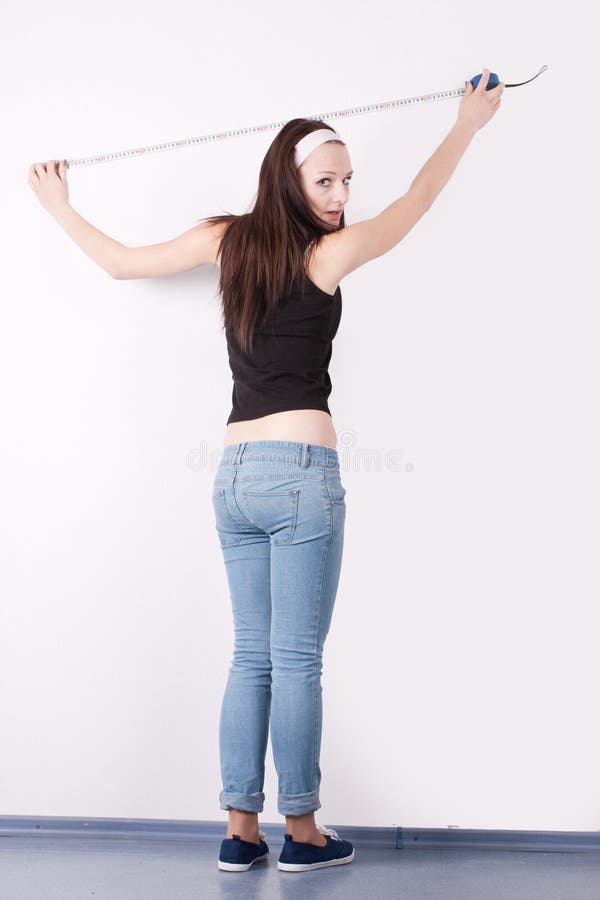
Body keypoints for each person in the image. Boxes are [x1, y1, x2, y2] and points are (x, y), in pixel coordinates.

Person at [28, 70, 504, 873]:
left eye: (348, 180)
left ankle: (238, 831)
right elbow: (418, 203)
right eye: (326, 180)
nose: (342, 193)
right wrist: (467, 123)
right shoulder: (328, 254)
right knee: (294, 660)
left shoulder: (228, 239)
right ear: (289, 177)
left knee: (252, 655)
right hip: (299, 472)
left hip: (232, 475)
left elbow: (120, 263)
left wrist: (59, 207)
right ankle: (304, 830)